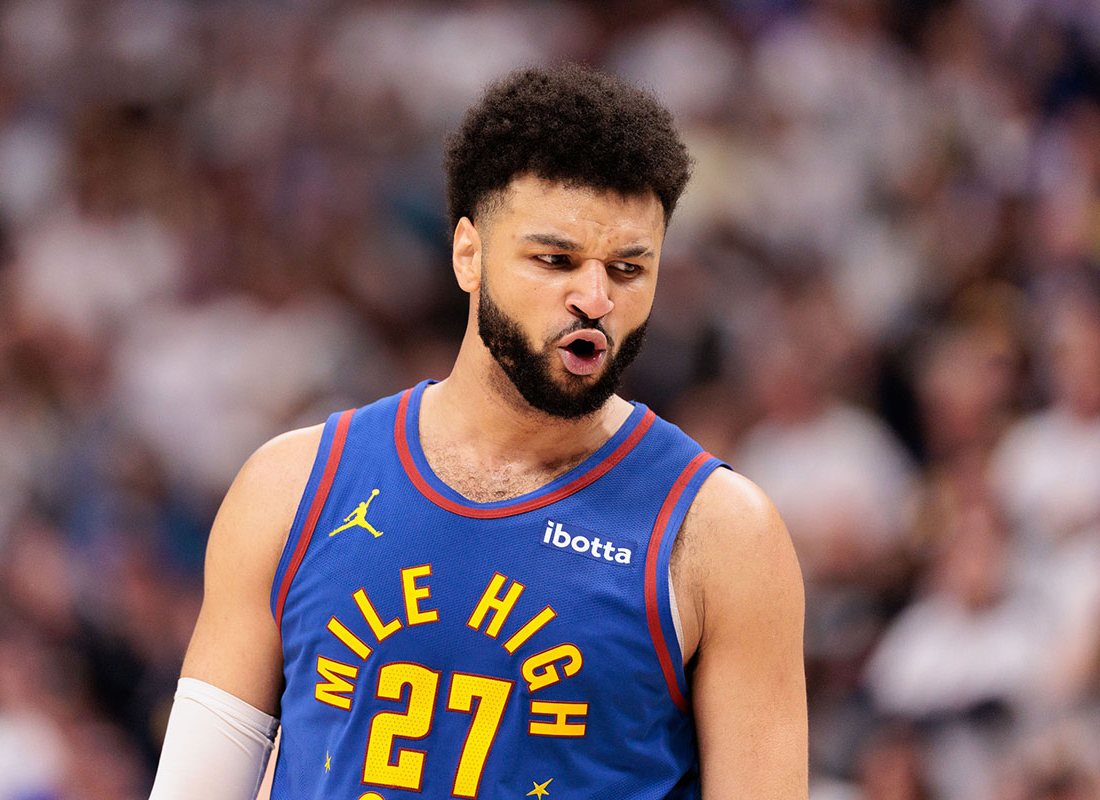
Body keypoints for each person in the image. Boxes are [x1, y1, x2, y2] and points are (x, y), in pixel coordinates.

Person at [148, 64, 807, 800]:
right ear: (468, 253)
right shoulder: (292, 485)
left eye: (628, 269)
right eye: (555, 260)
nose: (594, 298)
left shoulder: (721, 533)